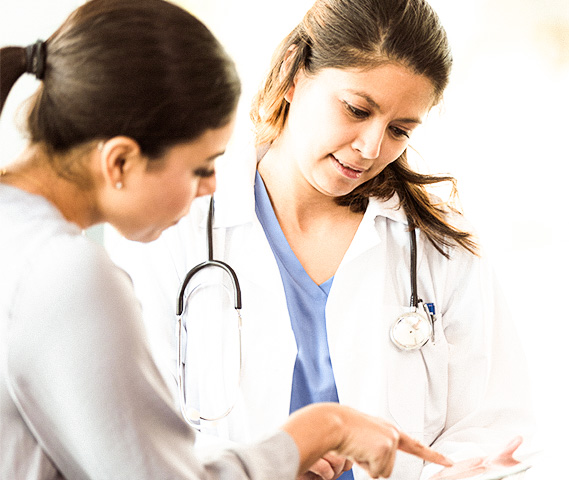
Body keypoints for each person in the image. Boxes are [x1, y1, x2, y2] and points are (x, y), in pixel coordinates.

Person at [0, 1, 452, 478]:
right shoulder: (68, 274)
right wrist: (322, 428)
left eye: (399, 130)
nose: (213, 187)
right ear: (120, 163)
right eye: (200, 167)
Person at [105, 0, 536, 479]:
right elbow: (133, 432)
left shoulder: (442, 250)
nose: (371, 148)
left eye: (398, 130)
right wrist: (272, 463)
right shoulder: (175, 225)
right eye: (356, 109)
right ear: (293, 72)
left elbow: (497, 427)